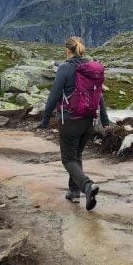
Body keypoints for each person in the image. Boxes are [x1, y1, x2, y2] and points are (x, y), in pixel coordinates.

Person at [40, 36, 110, 211]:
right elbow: (99, 95)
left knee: (68, 159)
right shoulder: (91, 68)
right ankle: (74, 192)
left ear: (67, 50)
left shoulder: (65, 68)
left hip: (69, 120)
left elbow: (54, 95)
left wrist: (45, 118)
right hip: (88, 121)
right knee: (76, 156)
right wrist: (104, 119)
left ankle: (87, 186)